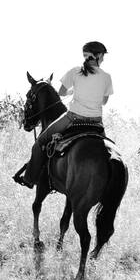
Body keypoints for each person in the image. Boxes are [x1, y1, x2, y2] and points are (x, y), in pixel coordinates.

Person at [14, 41, 113, 187]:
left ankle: (29, 179)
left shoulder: (75, 71)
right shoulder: (106, 77)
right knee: (109, 151)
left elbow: (61, 92)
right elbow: (104, 101)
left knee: (39, 143)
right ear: (97, 56)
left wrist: (74, 91)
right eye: (103, 56)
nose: (103, 59)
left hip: (73, 118)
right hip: (97, 123)